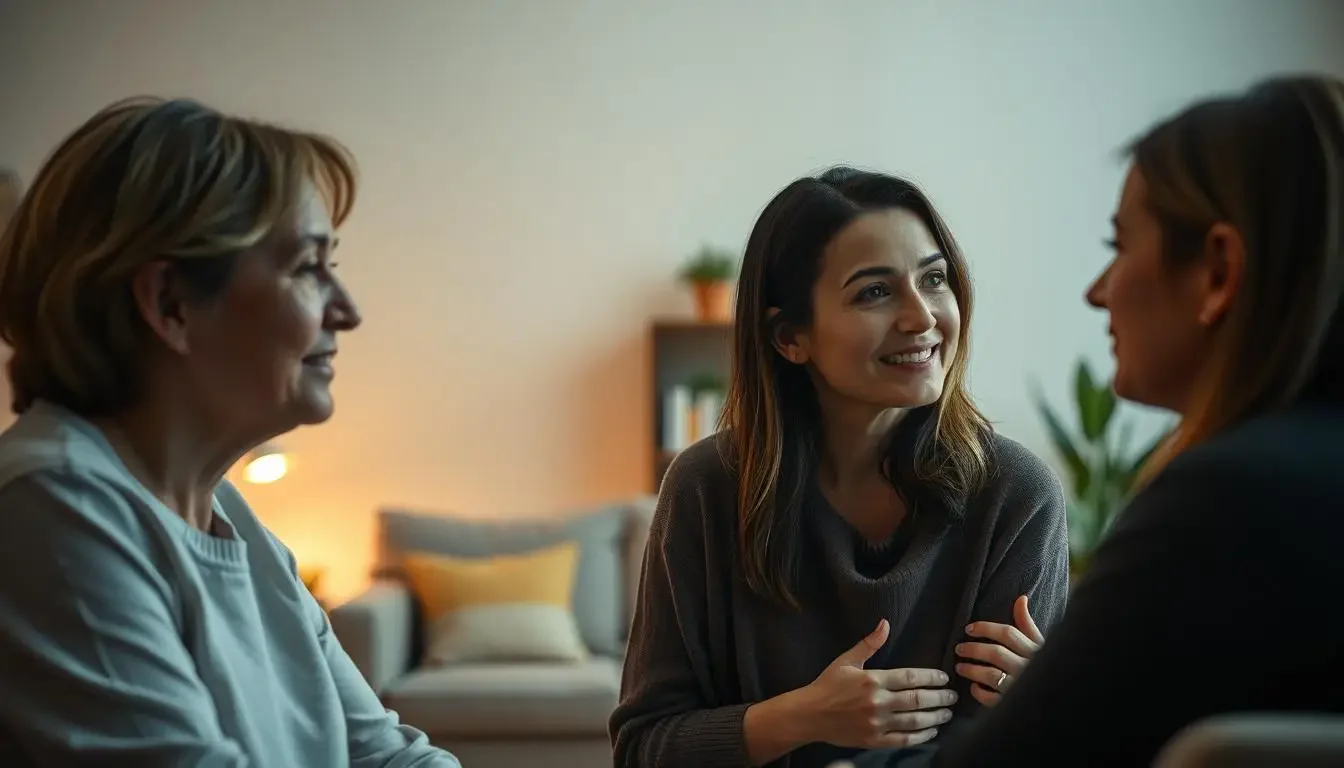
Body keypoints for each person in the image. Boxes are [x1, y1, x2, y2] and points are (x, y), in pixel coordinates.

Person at [846, 74, 1344, 768]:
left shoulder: (1227, 501)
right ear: (788, 338)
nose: (1097, 290)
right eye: (873, 290)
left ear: (1219, 272)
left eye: (1119, 246)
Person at [0, 97, 462, 767]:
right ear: (170, 303)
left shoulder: (234, 521)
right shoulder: (55, 507)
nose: (348, 311)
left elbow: (385, 755)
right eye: (307, 267)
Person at [610, 167, 1072, 768]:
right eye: (874, 292)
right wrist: (801, 718)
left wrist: (1046, 708)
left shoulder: (1015, 495)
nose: (922, 318)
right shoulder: (707, 487)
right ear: (789, 337)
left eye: (934, 279)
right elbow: (643, 750)